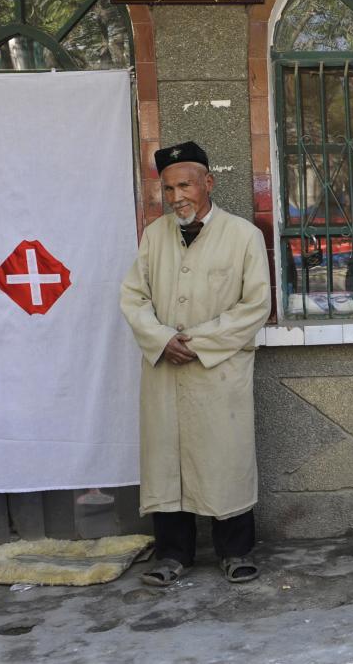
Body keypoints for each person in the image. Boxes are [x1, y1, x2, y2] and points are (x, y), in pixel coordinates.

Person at [119, 141, 271, 585]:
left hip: (217, 372)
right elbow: (133, 297)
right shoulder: (154, 236)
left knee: (225, 459)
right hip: (165, 369)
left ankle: (235, 551)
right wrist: (162, 339)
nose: (176, 196)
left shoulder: (243, 235)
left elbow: (255, 306)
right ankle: (172, 555)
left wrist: (198, 342)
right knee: (166, 462)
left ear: (208, 183)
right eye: (168, 189)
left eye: (185, 185)